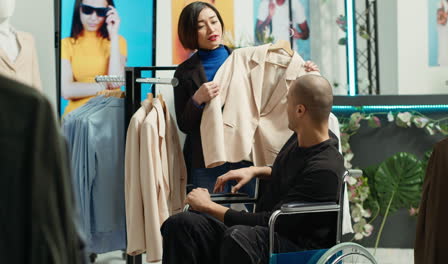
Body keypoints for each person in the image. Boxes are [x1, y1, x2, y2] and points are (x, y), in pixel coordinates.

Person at [161, 74, 345, 264]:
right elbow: (295, 173)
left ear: (300, 110)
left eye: (287, 101)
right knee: (181, 224)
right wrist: (255, 170)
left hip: (294, 247)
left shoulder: (326, 169)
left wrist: (208, 206)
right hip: (263, 236)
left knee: (238, 238)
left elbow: (274, 222)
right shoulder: (302, 140)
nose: (285, 107)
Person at [174, 1, 319, 195]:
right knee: (206, 216)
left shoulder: (246, 59)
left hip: (247, 154)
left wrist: (306, 73)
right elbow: (184, 124)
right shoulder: (184, 72)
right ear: (190, 32)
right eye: (201, 26)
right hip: (206, 158)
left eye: (214, 21)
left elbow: (275, 91)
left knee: (254, 214)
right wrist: (197, 100)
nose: (211, 29)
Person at [61, 0, 127, 115]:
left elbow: (116, 81)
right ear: (79, 10)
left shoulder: (118, 41)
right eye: (88, 10)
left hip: (110, 115)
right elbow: (66, 91)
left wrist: (113, 35)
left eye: (100, 12)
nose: (93, 17)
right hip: (76, 117)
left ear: (108, 13)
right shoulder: (66, 44)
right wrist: (105, 84)